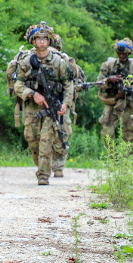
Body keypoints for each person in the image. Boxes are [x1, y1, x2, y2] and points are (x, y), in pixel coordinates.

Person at [13, 22, 74, 185]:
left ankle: (43, 175)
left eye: (44, 39)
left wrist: (66, 103)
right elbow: (18, 85)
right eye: (38, 39)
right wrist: (32, 93)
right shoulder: (25, 62)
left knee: (46, 140)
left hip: (51, 106)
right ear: (33, 41)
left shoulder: (58, 62)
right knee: (32, 139)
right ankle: (41, 165)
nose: (41, 41)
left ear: (49, 41)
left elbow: (69, 84)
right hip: (32, 107)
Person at [96, 38, 133, 155]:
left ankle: (126, 162)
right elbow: (99, 82)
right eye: (119, 53)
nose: (121, 55)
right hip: (112, 102)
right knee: (106, 132)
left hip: (128, 102)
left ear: (129, 53)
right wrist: (108, 80)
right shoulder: (109, 65)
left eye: (124, 53)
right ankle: (113, 159)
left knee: (128, 133)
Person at [49, 34, 86, 177]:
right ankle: (45, 165)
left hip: (61, 101)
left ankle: (58, 166)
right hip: (41, 101)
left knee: (62, 132)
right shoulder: (36, 59)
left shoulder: (66, 61)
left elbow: (79, 81)